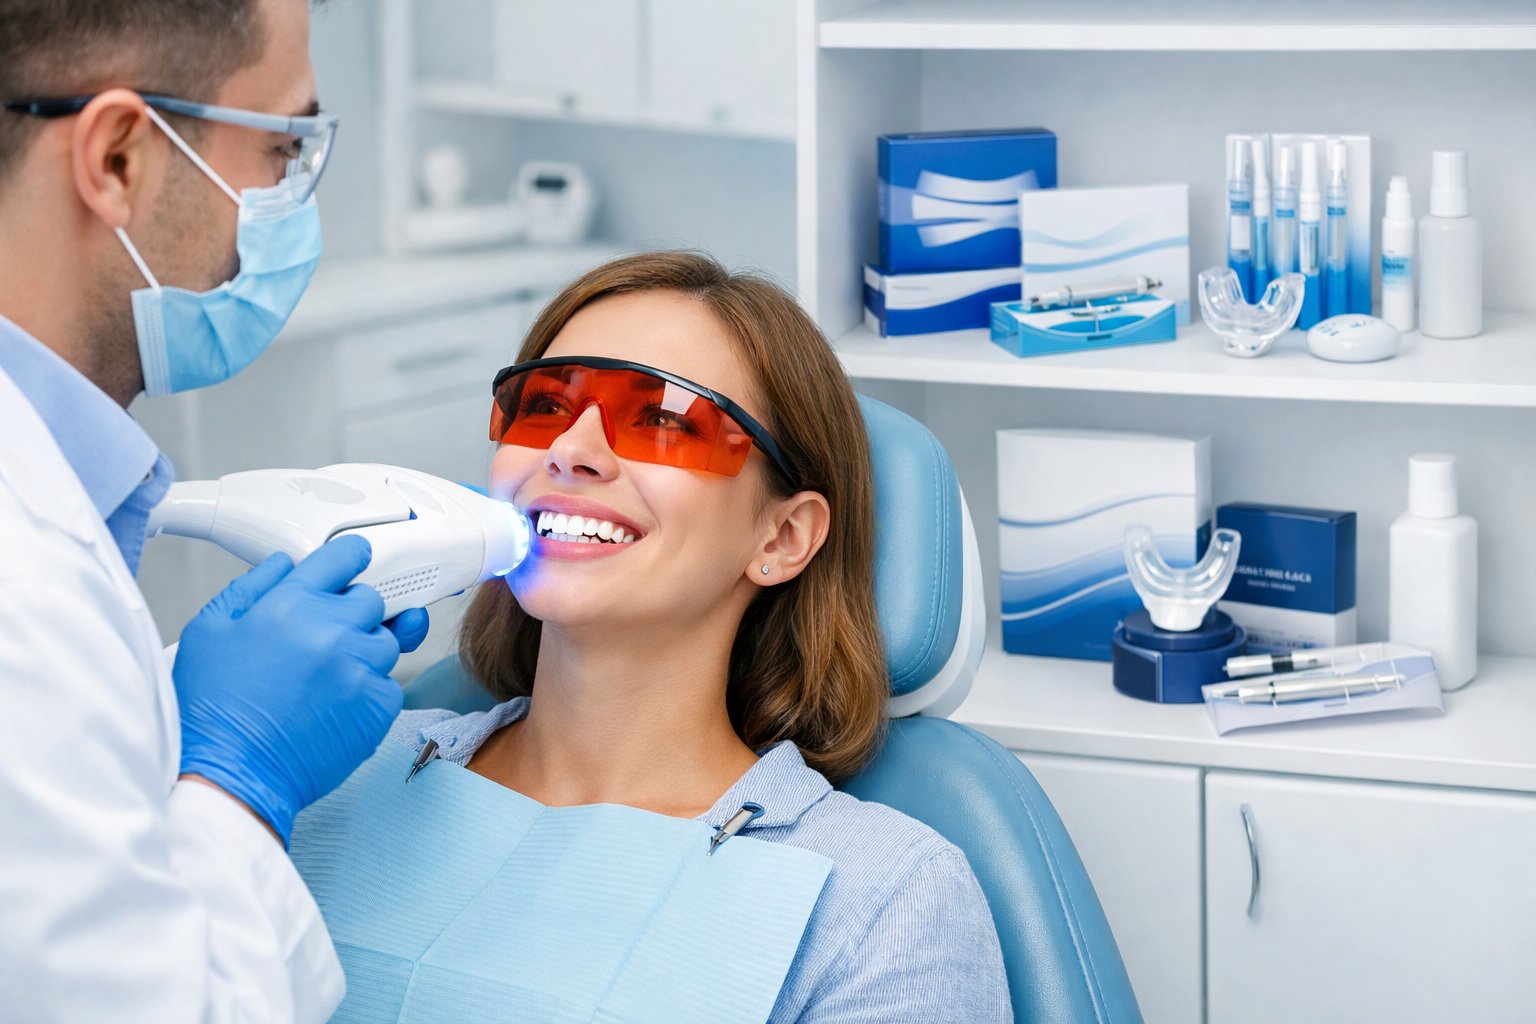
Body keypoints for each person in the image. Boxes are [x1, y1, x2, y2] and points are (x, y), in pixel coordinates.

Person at [292, 251, 1012, 1021]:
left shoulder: (879, 898)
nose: (570, 450)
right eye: (544, 407)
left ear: (783, 536)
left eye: (665, 418)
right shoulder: (328, 767)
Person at [0, 1, 427, 1018]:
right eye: (281, 147)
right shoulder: (25, 585)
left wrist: (166, 722)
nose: (292, 197)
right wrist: (236, 778)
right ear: (117, 158)